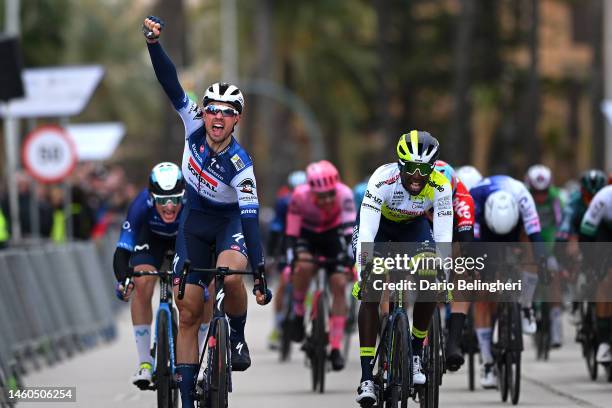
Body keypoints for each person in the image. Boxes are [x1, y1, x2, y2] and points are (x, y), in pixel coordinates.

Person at [143, 16, 271, 408]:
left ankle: (237, 335)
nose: (217, 117)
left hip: (229, 222)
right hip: (193, 222)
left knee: (232, 277)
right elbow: (170, 83)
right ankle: (184, 396)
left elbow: (248, 219)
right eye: (213, 109)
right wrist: (153, 44)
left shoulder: (241, 165)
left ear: (236, 119)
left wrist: (261, 271)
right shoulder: (193, 123)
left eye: (227, 112)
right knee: (188, 311)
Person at [352, 131, 453, 406]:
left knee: (431, 276)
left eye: (424, 169)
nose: (417, 176)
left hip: (414, 230)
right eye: (410, 169)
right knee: (371, 288)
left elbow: (443, 235)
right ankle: (365, 377)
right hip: (379, 230)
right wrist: (365, 267)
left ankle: (416, 355)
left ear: (433, 168)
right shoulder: (382, 180)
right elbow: (368, 230)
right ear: (400, 165)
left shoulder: (442, 186)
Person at [113, 162, 191, 388]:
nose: (169, 207)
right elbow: (122, 249)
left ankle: (195, 363)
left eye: (175, 199)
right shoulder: (140, 204)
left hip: (184, 239)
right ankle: (145, 363)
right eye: (161, 200)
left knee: (191, 292)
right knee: (142, 281)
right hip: (151, 240)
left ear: (183, 196)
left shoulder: (192, 202)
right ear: (151, 197)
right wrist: (123, 278)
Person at [469, 175, 545, 388]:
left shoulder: (522, 196)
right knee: (483, 293)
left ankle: (527, 306)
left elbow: (536, 235)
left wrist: (542, 263)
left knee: (531, 250)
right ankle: (487, 362)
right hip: (484, 235)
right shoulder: (475, 198)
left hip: (516, 229)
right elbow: (472, 243)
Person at [284, 160, 356, 371]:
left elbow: (350, 230)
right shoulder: (299, 195)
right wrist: (291, 258)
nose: (325, 200)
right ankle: (298, 312)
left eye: (329, 194)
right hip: (308, 235)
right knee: (304, 267)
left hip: (333, 235)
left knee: (339, 283)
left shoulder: (344, 194)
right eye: (320, 196)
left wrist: (351, 258)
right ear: (311, 191)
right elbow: (291, 232)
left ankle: (335, 347)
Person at [431, 160, 476, 372]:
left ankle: (453, 342)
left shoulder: (463, 199)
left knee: (463, 272)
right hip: (420, 229)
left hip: (452, 234)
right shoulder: (416, 192)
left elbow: (466, 240)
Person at [524, 164, 564, 348]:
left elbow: (561, 223)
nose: (540, 197)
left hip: (550, 243)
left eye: (544, 192)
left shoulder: (555, 198)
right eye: (536, 192)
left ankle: (556, 325)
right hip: (530, 241)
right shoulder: (524, 197)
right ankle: (528, 309)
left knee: (554, 273)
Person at [267, 170, 306, 349]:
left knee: (306, 282)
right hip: (286, 243)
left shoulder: (310, 201)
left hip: (306, 243)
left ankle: (303, 315)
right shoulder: (284, 202)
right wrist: (272, 254)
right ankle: (277, 327)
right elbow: (276, 227)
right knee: (282, 284)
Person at [579, 184, 612, 364]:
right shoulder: (603, 198)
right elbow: (586, 233)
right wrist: (590, 262)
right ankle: (604, 342)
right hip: (604, 233)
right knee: (606, 279)